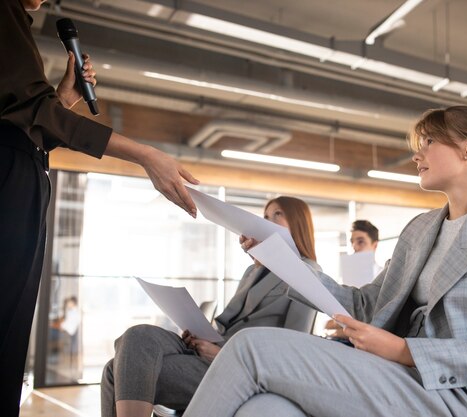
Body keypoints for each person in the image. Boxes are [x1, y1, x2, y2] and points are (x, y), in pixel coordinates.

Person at [183, 105, 467, 417]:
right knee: (265, 409)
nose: (417, 154)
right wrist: (282, 258)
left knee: (250, 346)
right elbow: (364, 306)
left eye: (427, 143)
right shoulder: (421, 229)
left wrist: (401, 350)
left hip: (466, 395)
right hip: (403, 379)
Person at [0, 1, 199, 414]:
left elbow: (27, 117)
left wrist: (61, 101)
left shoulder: (17, 20)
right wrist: (145, 155)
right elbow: (31, 114)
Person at [101, 196, 319, 417]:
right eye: (265, 216)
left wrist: (221, 353)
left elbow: (294, 350)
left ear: (297, 223)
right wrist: (202, 335)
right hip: (211, 347)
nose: (267, 222)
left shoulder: (308, 273)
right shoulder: (253, 271)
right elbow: (231, 323)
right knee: (137, 336)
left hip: (237, 367)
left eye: (277, 215)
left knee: (116, 371)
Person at [325, 219, 382, 338]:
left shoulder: (384, 278)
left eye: (360, 242)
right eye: (352, 242)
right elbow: (330, 323)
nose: (355, 247)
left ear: (375, 245)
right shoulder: (343, 279)